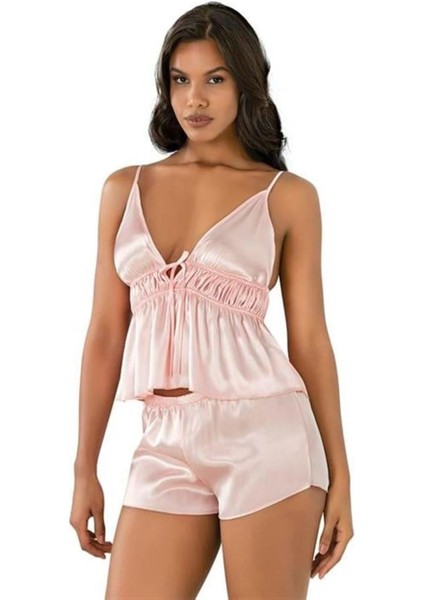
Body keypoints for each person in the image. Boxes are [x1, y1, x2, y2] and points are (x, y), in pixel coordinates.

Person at [70, 2, 354, 598]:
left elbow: (309, 341)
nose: (194, 99)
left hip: (267, 438)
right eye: (181, 80)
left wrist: (342, 476)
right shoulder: (124, 188)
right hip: (163, 441)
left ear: (246, 84)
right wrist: (84, 467)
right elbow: (105, 334)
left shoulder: (287, 196)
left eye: (215, 79)